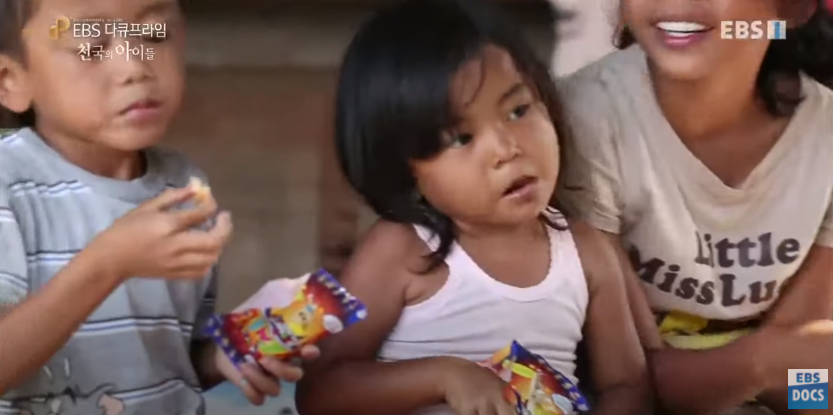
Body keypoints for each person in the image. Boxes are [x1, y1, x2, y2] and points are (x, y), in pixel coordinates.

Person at [294, 1, 649, 415]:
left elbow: (627, 385)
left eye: (518, 111)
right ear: (408, 173)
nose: (506, 149)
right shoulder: (404, 250)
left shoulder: (586, 251)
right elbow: (321, 391)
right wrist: (444, 376)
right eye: (462, 138)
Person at [0, 0, 316, 413]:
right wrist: (107, 264)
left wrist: (224, 352)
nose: (135, 66)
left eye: (154, 36)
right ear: (11, 81)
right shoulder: (8, 184)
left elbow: (168, 359)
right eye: (92, 47)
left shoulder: (182, 185)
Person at [557, 0, 833, 413]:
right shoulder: (587, 119)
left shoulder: (825, 134)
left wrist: (789, 379)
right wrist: (764, 362)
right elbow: (637, 380)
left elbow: (806, 378)